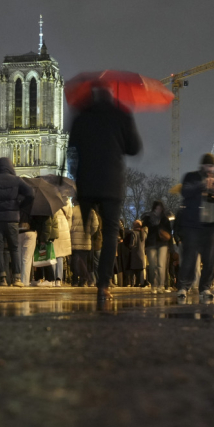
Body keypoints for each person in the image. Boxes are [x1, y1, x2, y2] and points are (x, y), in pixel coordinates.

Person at [68, 87, 143, 302]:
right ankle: (103, 284)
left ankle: (82, 268)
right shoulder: (122, 114)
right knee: (109, 234)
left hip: (87, 183)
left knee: (83, 232)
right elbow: (135, 148)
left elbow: (71, 146)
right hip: (111, 183)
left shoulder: (81, 116)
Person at [176, 153, 214, 302]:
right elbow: (185, 191)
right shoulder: (191, 176)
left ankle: (205, 287)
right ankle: (183, 286)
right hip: (193, 225)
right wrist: (202, 185)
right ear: (202, 165)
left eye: (213, 166)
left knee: (210, 258)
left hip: (212, 225)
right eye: (208, 166)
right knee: (189, 257)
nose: (211, 169)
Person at [0, 157, 34, 287]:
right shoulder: (17, 180)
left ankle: (2, 278)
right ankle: (16, 278)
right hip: (12, 219)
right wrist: (20, 205)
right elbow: (31, 193)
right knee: (14, 248)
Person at [143, 201, 173, 292]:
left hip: (162, 243)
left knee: (161, 265)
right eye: (157, 208)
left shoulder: (165, 219)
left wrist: (171, 246)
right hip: (151, 243)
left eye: (160, 208)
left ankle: (160, 285)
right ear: (154, 208)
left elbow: (169, 233)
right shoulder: (148, 218)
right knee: (152, 265)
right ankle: (154, 285)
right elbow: (143, 226)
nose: (158, 210)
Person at [69, 201, 97, 287]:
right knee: (84, 261)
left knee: (74, 261)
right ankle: (83, 280)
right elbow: (95, 225)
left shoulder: (72, 210)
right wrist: (89, 234)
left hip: (74, 241)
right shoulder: (91, 211)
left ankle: (74, 280)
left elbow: (69, 225)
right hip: (86, 241)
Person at [125, 220, 146, 287]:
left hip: (134, 254)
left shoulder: (133, 233)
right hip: (142, 254)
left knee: (134, 270)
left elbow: (132, 244)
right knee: (140, 270)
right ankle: (141, 282)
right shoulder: (144, 233)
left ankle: (134, 283)